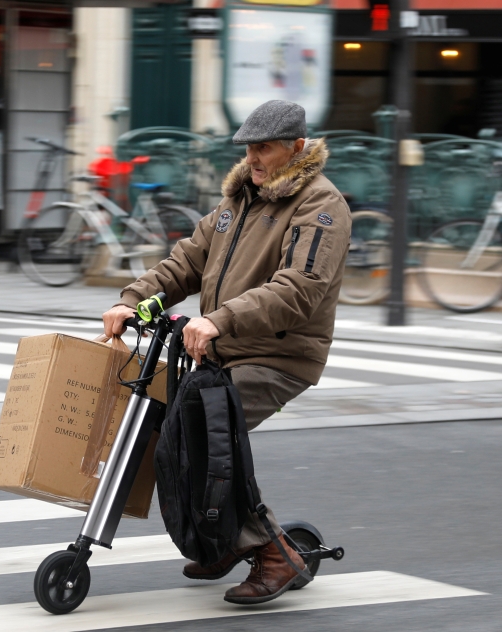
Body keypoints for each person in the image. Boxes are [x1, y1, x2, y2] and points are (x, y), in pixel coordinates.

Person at [102, 99, 351, 605]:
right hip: (223, 351)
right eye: (248, 148)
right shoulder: (239, 202)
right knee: (169, 426)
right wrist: (133, 301)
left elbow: (299, 288)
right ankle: (224, 540)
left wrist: (219, 319)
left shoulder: (320, 206)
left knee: (199, 428)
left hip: (279, 356)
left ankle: (273, 554)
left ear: (297, 148)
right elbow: (186, 263)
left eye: (265, 148)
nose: (253, 158)